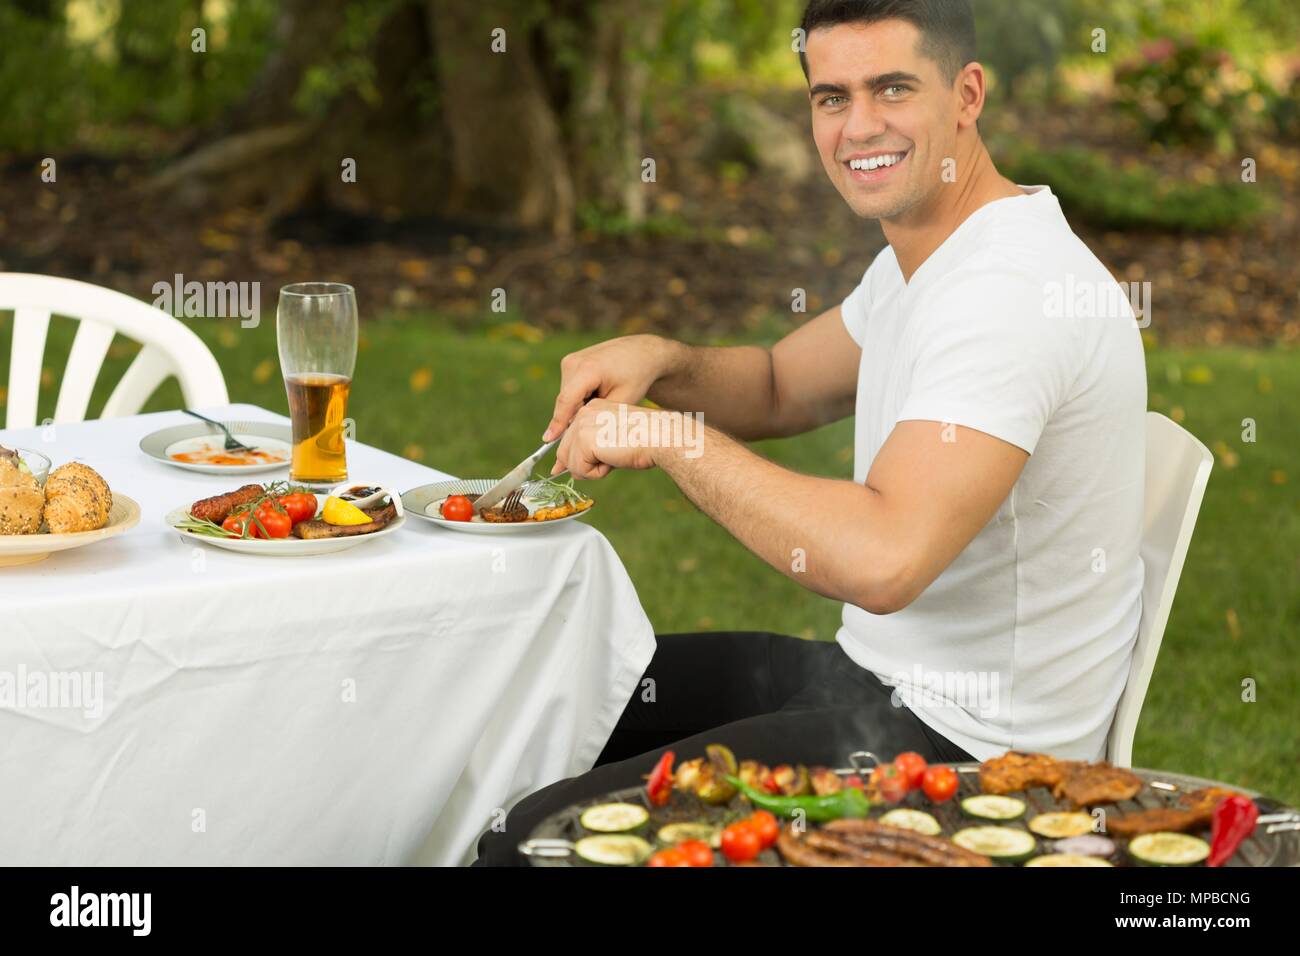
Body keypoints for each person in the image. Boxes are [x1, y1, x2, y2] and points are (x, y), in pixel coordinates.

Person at [474, 0, 1145, 865]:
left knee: (534, 845)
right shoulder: (933, 253)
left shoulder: (1007, 293)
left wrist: (673, 437)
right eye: (832, 97)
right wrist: (663, 360)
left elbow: (885, 559)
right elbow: (784, 384)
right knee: (556, 691)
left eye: (892, 88)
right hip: (875, 682)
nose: (858, 125)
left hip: (972, 756)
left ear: (967, 94)